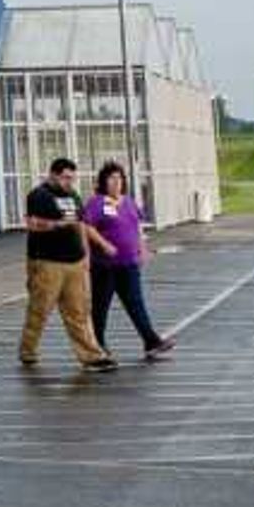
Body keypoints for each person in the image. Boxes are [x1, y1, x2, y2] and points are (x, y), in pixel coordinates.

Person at [18, 155, 116, 371]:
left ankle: (91, 356)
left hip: (75, 262)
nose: (68, 182)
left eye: (72, 178)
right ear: (52, 174)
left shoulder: (73, 195)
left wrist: (86, 255)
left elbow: (80, 224)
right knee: (40, 310)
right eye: (64, 178)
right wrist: (57, 224)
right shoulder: (39, 195)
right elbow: (32, 224)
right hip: (47, 262)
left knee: (79, 311)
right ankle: (28, 350)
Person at [85, 160, 173, 360]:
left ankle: (151, 341)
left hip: (128, 264)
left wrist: (142, 249)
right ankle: (97, 344)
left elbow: (137, 227)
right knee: (101, 306)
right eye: (112, 178)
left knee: (135, 303)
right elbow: (87, 227)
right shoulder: (97, 202)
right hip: (105, 266)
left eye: (120, 178)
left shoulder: (129, 202)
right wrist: (103, 244)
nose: (117, 182)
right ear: (103, 181)